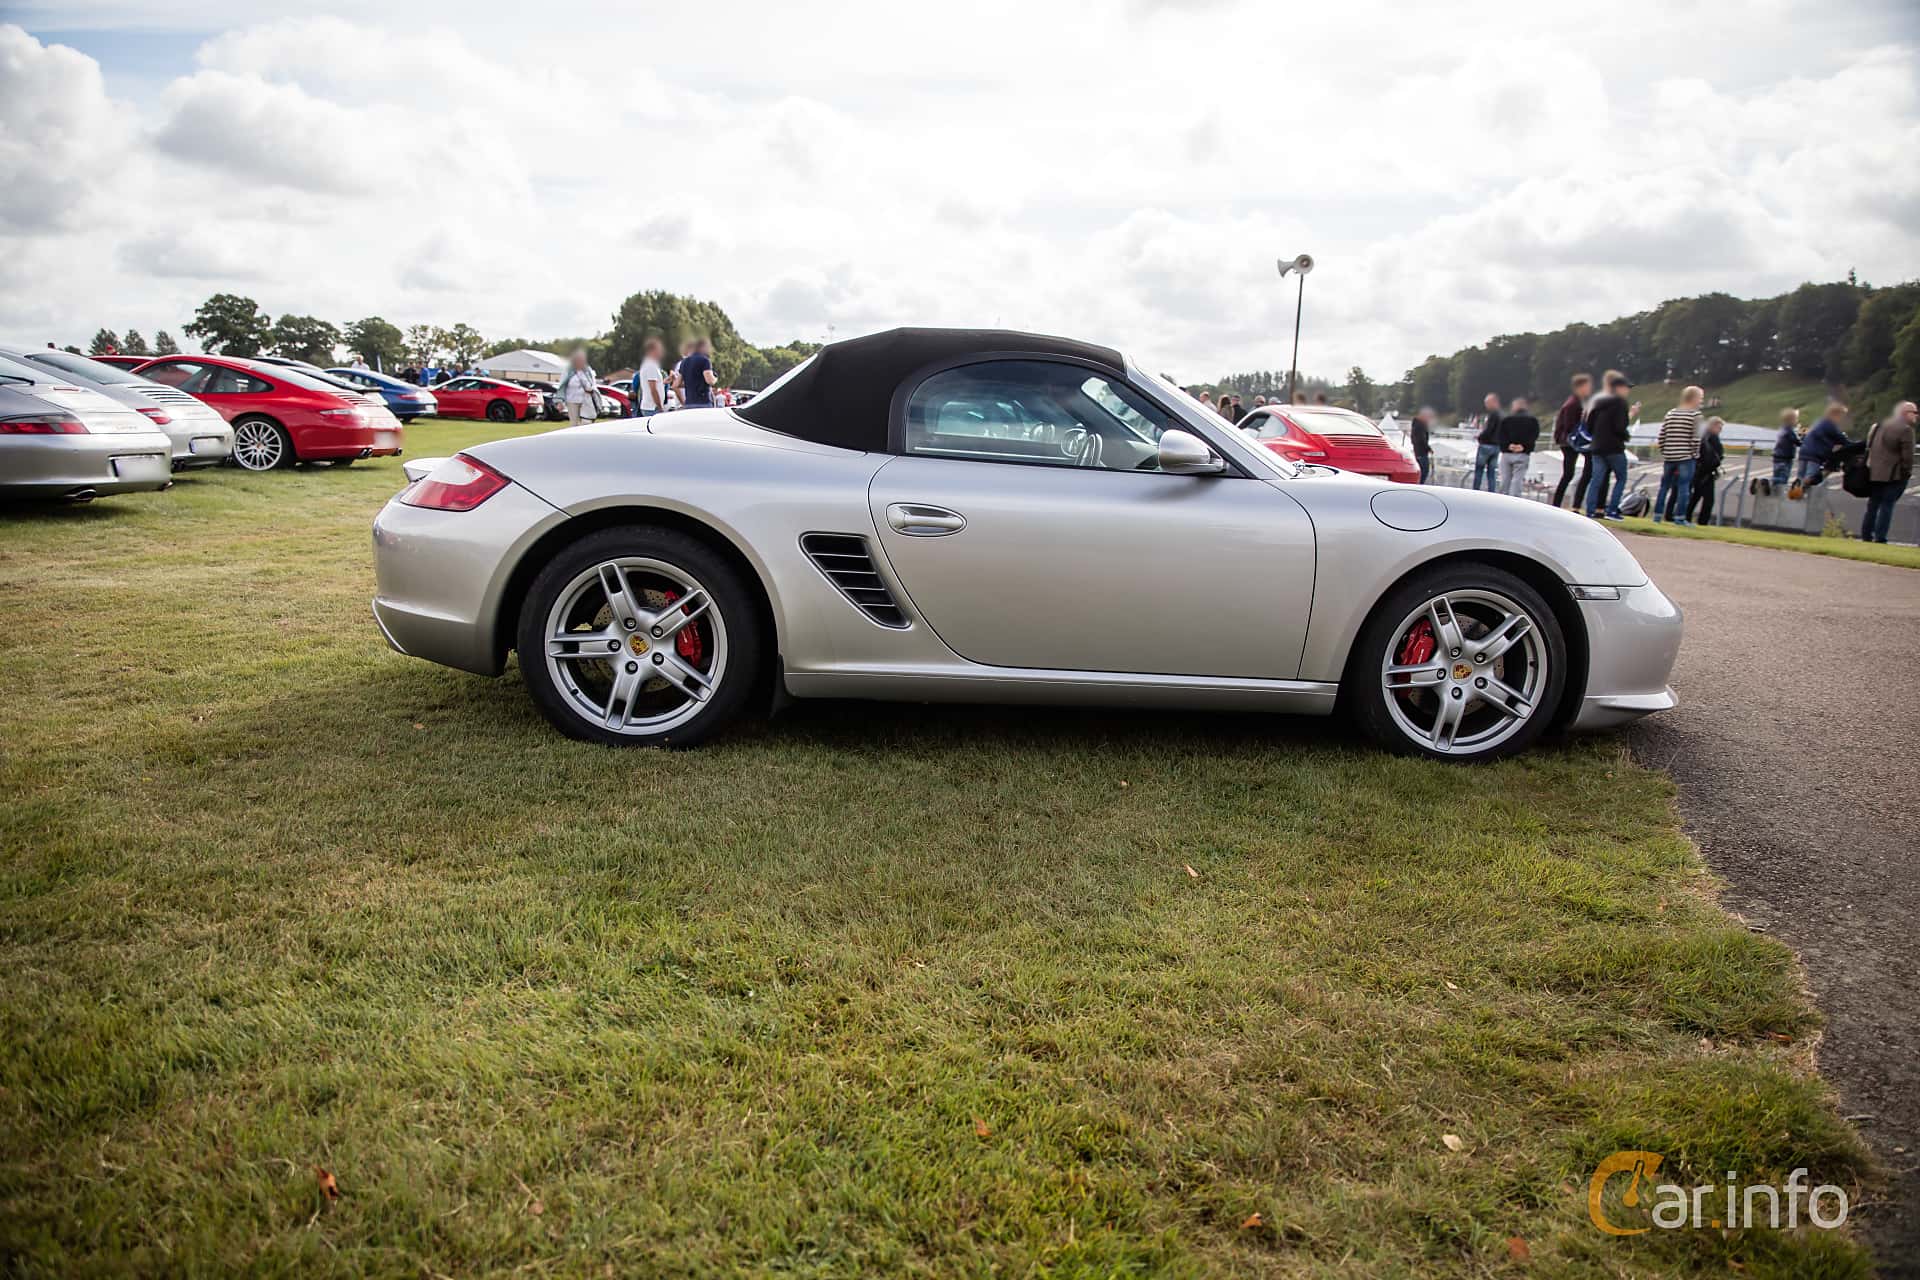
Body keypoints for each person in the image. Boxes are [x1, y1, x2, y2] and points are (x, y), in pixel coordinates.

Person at [1861, 401, 1916, 544]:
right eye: (1914, 412)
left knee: (1873, 506)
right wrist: (1906, 473)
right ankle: (1880, 537)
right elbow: (1908, 456)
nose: (1917, 415)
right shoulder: (1905, 430)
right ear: (1905, 413)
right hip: (1893, 475)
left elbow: (1870, 446)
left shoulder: (1879, 426)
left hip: (1875, 473)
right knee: (1887, 506)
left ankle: (1866, 535)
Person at [1583, 371, 1634, 520]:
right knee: (1621, 478)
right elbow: (1620, 427)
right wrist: (1625, 436)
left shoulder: (1599, 403)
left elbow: (1589, 424)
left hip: (1597, 446)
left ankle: (1590, 510)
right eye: (1626, 387)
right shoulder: (1620, 403)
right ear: (1618, 388)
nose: (1628, 390)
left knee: (1596, 480)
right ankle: (1612, 510)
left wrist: (1597, 436)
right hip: (1614, 447)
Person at [1653, 385, 1703, 524]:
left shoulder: (1671, 413)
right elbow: (1696, 438)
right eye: (1700, 398)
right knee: (1684, 487)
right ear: (1694, 398)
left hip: (1669, 455)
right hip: (1686, 456)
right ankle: (1680, 517)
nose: (1701, 401)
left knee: (1664, 486)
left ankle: (1657, 515)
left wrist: (1665, 450)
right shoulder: (1696, 415)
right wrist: (1695, 454)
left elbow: (1662, 435)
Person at [1551, 373, 1593, 508]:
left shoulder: (1575, 402)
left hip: (1567, 441)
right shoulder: (1573, 404)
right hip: (1569, 442)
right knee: (1570, 473)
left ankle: (1560, 503)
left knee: (1569, 474)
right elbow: (1570, 426)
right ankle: (1565, 503)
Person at [1796, 404, 1850, 491]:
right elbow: (1842, 439)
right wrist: (1857, 446)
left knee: (1800, 478)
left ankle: (1794, 497)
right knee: (1811, 480)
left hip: (1804, 452)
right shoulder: (1830, 424)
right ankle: (1805, 498)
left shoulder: (1820, 421)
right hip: (1814, 455)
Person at [1495, 396, 1539, 496]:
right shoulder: (1532, 420)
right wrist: (1523, 446)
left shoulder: (1506, 420)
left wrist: (1508, 446)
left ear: (1514, 407)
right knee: (1517, 480)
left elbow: (1500, 435)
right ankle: (1515, 499)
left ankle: (1502, 499)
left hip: (1507, 453)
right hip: (1523, 453)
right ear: (1525, 407)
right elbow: (1534, 435)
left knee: (1505, 479)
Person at [1687, 417, 1725, 525]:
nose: (1720, 430)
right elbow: (1716, 455)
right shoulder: (1712, 438)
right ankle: (1702, 521)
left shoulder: (1703, 436)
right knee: (1708, 500)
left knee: (1695, 497)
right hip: (1707, 472)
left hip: (1699, 470)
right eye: (1719, 427)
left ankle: (1686, 516)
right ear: (1712, 426)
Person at [557, 348, 600, 426]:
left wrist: (591, 389)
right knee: (574, 423)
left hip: (586, 399)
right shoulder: (568, 370)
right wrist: (560, 401)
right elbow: (562, 386)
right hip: (572, 400)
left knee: (586, 422)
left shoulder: (588, 370)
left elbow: (593, 383)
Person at [630, 337, 667, 419]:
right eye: (659, 349)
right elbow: (653, 389)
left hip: (650, 406)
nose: (661, 352)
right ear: (652, 350)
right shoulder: (651, 366)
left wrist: (664, 382)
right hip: (652, 407)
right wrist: (660, 406)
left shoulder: (649, 364)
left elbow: (654, 384)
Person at [1472, 392, 1502, 490]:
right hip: (1496, 446)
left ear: (1493, 402)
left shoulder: (1493, 415)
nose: (1486, 406)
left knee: (1479, 471)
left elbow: (1489, 430)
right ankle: (1491, 492)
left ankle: (1475, 491)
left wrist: (1480, 437)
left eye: (1487, 403)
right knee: (1491, 472)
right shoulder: (1502, 415)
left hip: (1486, 445)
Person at [677, 337, 717, 408]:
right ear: (702, 347)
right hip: (703, 402)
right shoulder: (704, 360)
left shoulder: (684, 362)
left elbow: (677, 383)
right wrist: (715, 378)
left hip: (689, 402)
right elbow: (709, 380)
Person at [1771, 409, 1802, 488]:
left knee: (1777, 474)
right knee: (1783, 477)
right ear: (1791, 420)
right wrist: (1804, 439)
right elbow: (1797, 442)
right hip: (1785, 457)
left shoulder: (1782, 428)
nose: (1797, 421)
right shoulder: (1789, 431)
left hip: (1777, 456)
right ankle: (1767, 484)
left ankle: (1772, 489)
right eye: (1796, 419)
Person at [1410, 406, 1434, 484]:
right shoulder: (1420, 426)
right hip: (1421, 453)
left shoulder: (1416, 425)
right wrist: (1428, 448)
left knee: (1422, 472)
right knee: (1424, 472)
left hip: (1418, 452)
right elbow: (1422, 440)